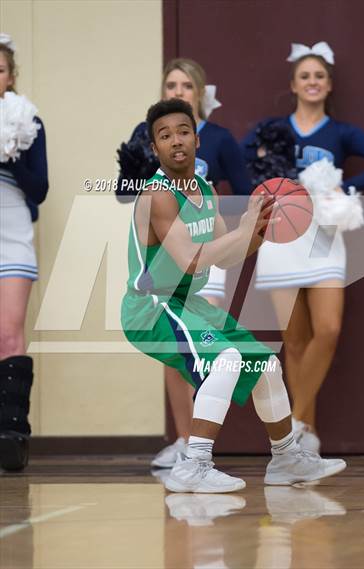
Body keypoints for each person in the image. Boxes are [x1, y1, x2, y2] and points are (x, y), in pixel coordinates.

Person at [121, 98, 346, 493]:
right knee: (225, 360)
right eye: (165, 135)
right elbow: (191, 260)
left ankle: (286, 457)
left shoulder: (205, 189)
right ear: (154, 148)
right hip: (151, 307)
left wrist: (260, 229)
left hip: (184, 304)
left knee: (263, 364)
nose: (176, 140)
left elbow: (228, 255)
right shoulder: (157, 195)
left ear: (197, 140)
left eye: (183, 132)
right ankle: (194, 464)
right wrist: (243, 232)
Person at [241, 42, 364, 452]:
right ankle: (305, 437)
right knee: (297, 341)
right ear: (293, 84)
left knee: (329, 329)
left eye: (319, 76)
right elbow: (241, 158)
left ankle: (296, 423)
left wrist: (347, 191)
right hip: (281, 238)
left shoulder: (341, 132)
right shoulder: (272, 129)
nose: (312, 82)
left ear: (329, 84)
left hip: (324, 236)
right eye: (305, 76)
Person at [116, 58, 252, 468]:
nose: (178, 91)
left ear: (200, 94)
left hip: (205, 259)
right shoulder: (154, 141)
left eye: (186, 85)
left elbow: (242, 192)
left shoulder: (219, 141)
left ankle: (203, 446)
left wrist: (248, 226)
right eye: (170, 85)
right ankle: (186, 443)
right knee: (185, 354)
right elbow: (125, 192)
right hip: (171, 265)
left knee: (209, 354)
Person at [0, 34, 49, 470]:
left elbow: (40, 188)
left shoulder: (27, 119)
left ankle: (11, 435)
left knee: (9, 334)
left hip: (12, 229)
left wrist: (9, 150)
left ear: (10, 76)